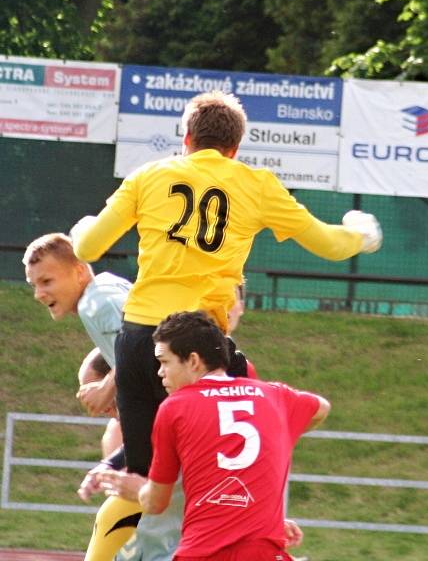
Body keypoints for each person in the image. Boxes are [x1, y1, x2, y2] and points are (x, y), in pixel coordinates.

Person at [70, 90, 382, 478]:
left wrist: (84, 227)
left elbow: (87, 246)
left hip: (137, 339)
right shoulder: (256, 184)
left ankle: (110, 536)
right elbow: (329, 244)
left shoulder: (149, 176)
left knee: (140, 480)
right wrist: (361, 234)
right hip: (199, 346)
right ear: (234, 148)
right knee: (224, 471)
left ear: (186, 140)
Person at [97, 310, 329, 561]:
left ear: (194, 361)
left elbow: (157, 503)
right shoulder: (275, 396)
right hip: (262, 553)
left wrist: (137, 490)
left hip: (202, 553)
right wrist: (278, 434)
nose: (160, 372)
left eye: (164, 362)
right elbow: (321, 408)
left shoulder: (175, 407)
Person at [22, 233, 142, 561]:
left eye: (46, 280)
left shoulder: (95, 300)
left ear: (78, 272)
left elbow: (143, 338)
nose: (38, 293)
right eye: (34, 284)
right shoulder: (103, 291)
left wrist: (107, 387)